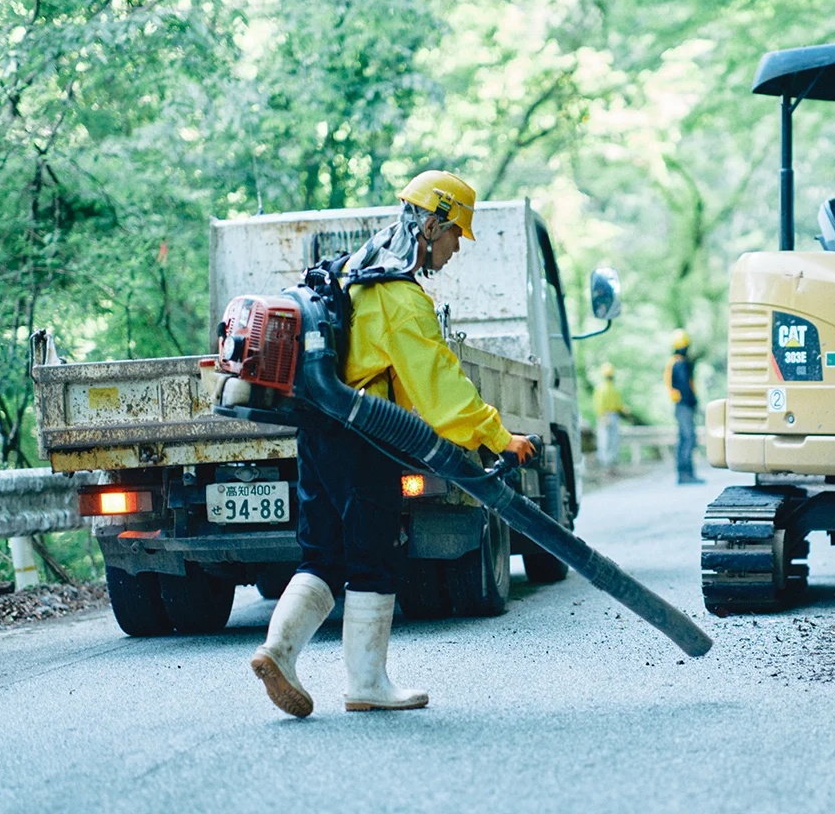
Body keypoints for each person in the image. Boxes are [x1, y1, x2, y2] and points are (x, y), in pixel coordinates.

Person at [249, 170, 537, 719]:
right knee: (374, 557)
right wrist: (499, 436)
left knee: (323, 554)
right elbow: (439, 387)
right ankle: (367, 684)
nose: (455, 251)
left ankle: (278, 651)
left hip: (318, 429)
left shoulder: (357, 271)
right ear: (431, 224)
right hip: (364, 438)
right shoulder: (400, 297)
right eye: (455, 237)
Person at [667, 329, 704, 485]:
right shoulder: (680, 364)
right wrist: (694, 402)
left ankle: (684, 473)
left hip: (679, 405)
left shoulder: (674, 362)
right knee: (688, 437)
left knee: (684, 437)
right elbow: (685, 386)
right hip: (684, 405)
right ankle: (686, 474)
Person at [593, 363, 630, 469]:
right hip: (605, 416)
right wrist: (603, 416)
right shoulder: (601, 389)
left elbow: (619, 404)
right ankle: (604, 463)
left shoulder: (614, 389)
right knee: (604, 441)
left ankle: (612, 463)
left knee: (614, 440)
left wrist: (623, 409)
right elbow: (598, 404)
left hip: (614, 415)